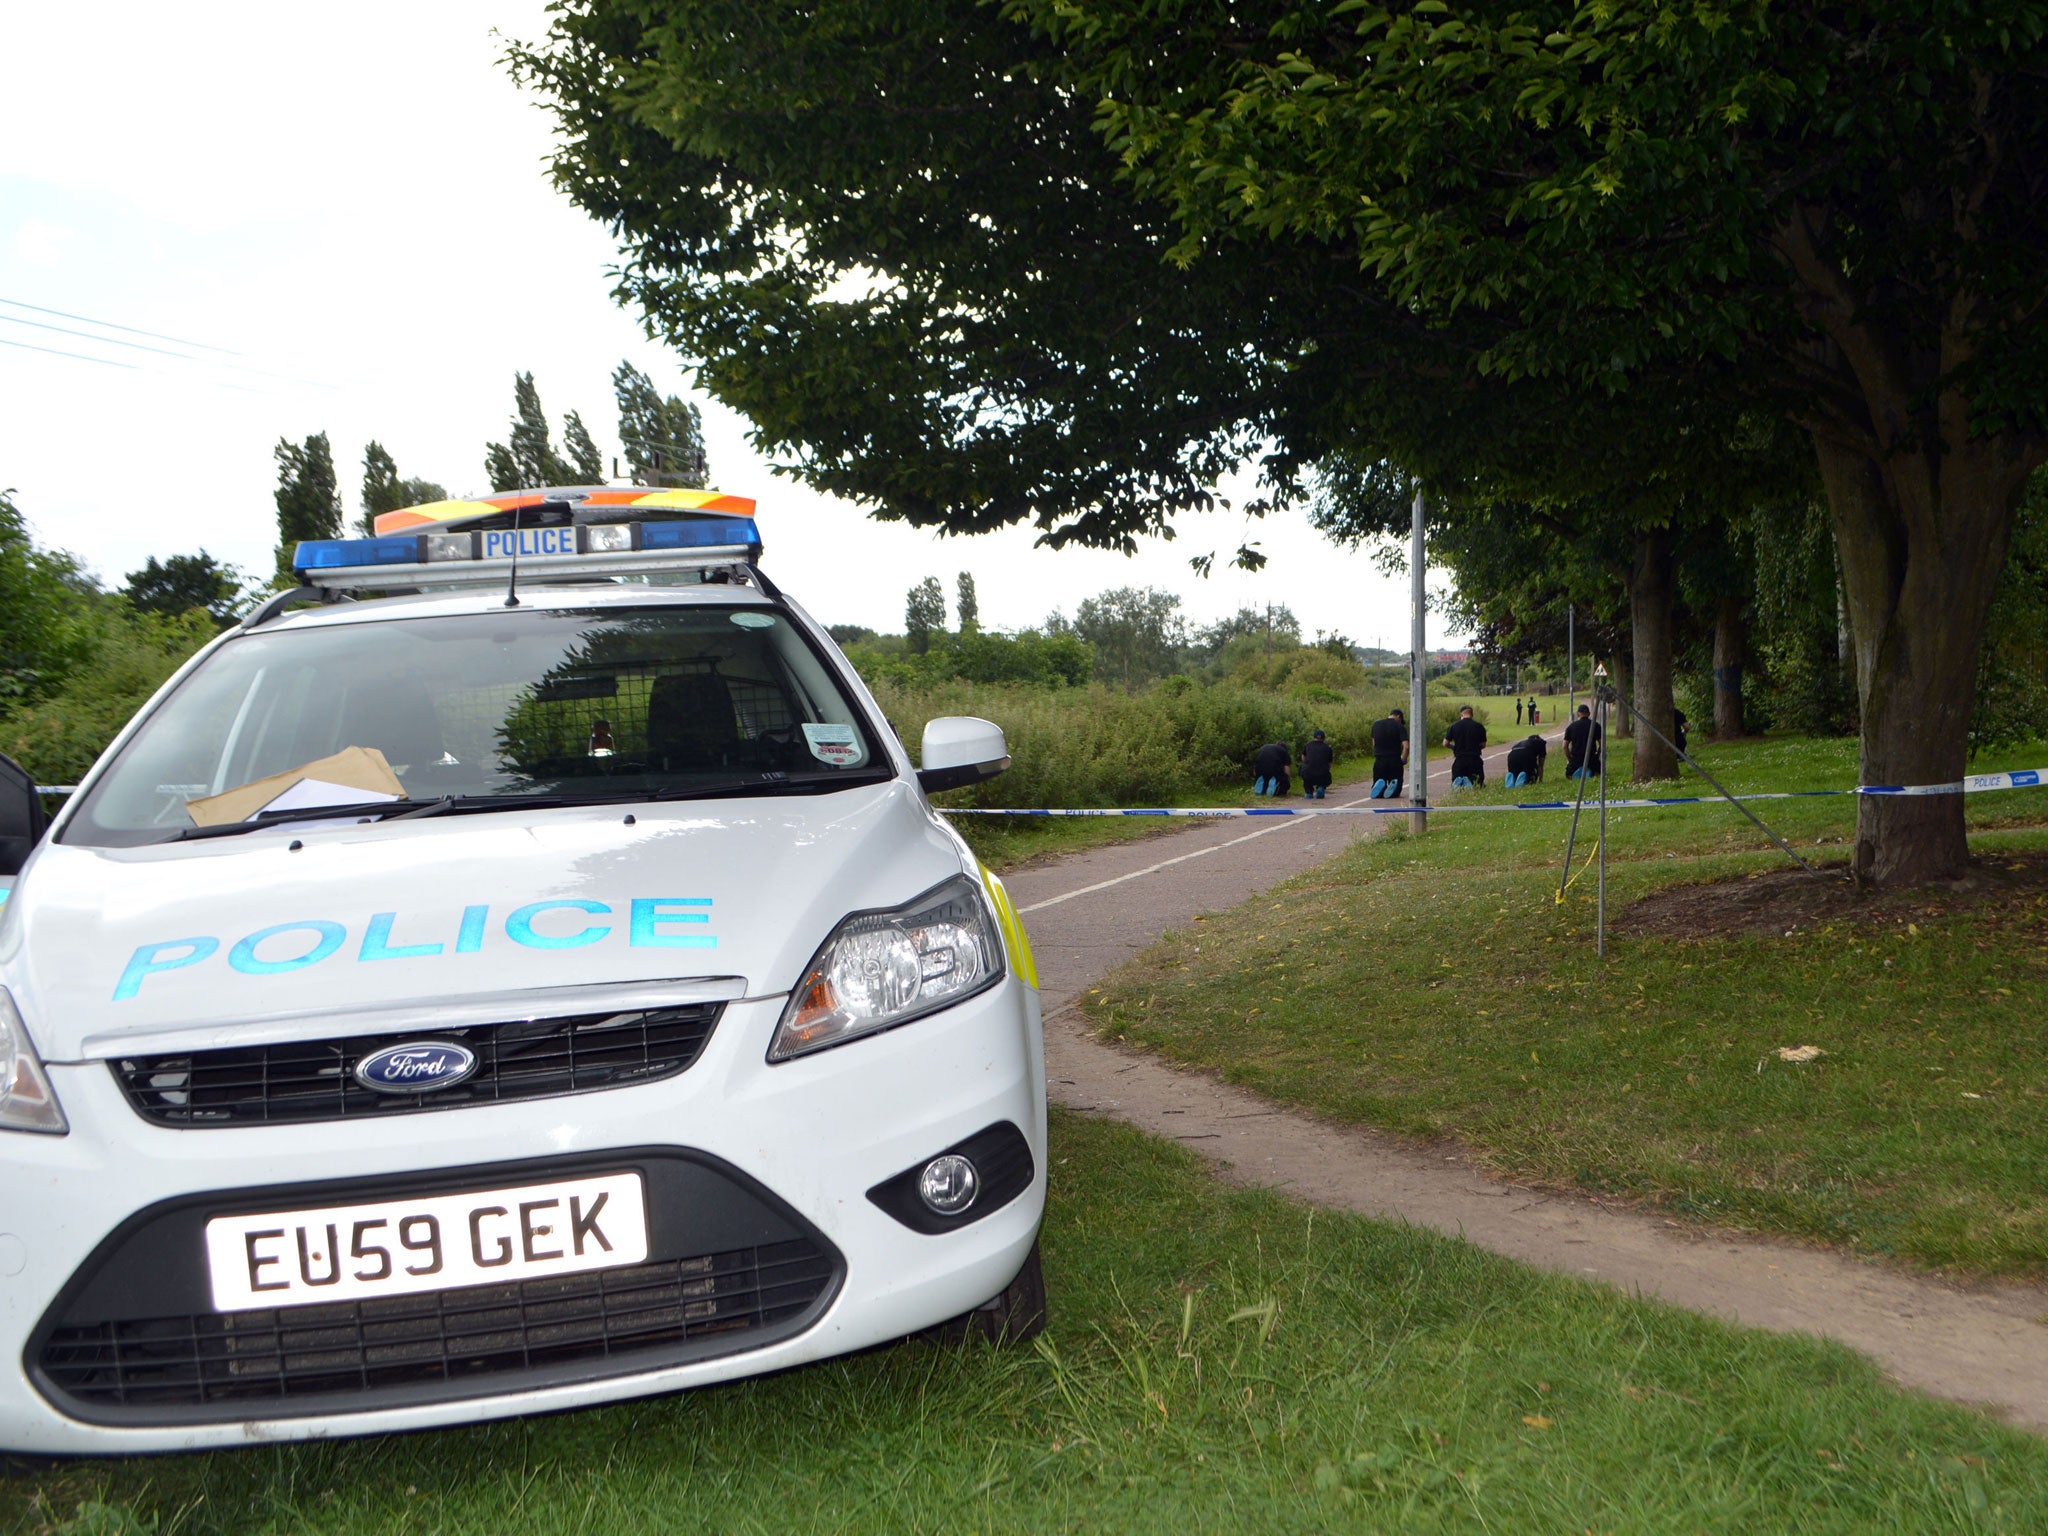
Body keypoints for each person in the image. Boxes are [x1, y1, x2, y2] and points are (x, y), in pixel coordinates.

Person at [1369, 707, 1409, 798]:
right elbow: (1406, 746)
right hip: (1394, 759)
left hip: (1379, 760)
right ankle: (1393, 789)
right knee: (1396, 788)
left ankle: (1380, 786)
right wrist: (1404, 759)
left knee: (1379, 780)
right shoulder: (1399, 726)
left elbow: (1374, 743)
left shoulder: (1376, 724)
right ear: (1399, 716)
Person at [1443, 705, 1487, 787]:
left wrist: (1454, 747)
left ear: (1461, 715)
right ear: (1472, 715)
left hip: (1460, 760)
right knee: (1477, 785)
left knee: (1458, 785)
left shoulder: (1454, 726)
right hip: (1475, 760)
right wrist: (1475, 747)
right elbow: (1483, 744)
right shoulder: (1479, 727)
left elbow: (1445, 743)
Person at [1563, 704, 1603, 779]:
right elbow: (1602, 743)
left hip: (1576, 760)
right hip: (1591, 759)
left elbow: (1565, 746)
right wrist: (1597, 755)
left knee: (1569, 773)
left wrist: (1570, 759)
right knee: (1597, 771)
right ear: (1589, 713)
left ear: (1578, 714)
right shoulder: (1595, 725)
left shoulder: (1571, 727)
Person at [1300, 728, 1334, 799]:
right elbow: (1329, 764)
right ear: (1324, 738)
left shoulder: (1308, 745)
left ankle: (1308, 792)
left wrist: (1307, 763)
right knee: (1326, 773)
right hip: (1322, 774)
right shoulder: (1328, 748)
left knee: (1302, 768)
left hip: (1308, 774)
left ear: (1313, 737)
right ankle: (1321, 788)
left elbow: (1303, 757)